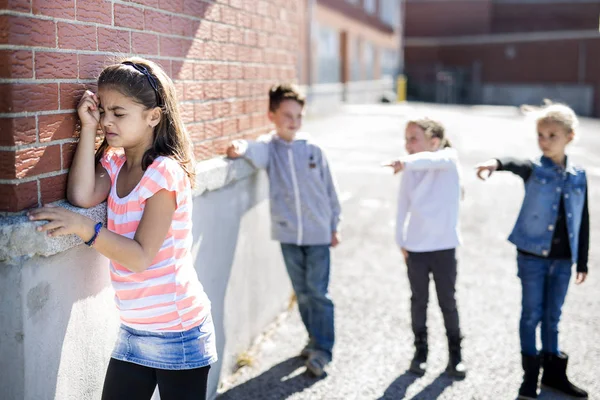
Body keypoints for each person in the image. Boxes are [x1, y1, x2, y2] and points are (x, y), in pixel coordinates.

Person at [28, 57, 217, 400]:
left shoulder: (163, 173)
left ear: (153, 117)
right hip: (134, 329)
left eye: (119, 113)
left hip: (179, 331)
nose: (107, 121)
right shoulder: (116, 162)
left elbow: (141, 256)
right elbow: (82, 194)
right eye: (103, 110)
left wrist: (85, 229)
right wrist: (87, 129)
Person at [225, 84, 341, 377]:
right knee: (302, 293)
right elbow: (252, 149)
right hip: (289, 235)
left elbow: (330, 191)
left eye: (299, 115)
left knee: (318, 292)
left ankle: (323, 350)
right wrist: (239, 147)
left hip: (317, 234)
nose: (294, 121)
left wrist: (334, 225)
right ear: (272, 115)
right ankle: (314, 339)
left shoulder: (313, 149)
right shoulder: (270, 149)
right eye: (287, 115)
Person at [475, 103, 588, 399]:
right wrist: (495, 163)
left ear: (570, 136)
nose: (545, 141)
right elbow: (514, 163)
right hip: (532, 258)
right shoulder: (535, 170)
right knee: (531, 315)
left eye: (552, 135)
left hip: (563, 261)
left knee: (553, 316)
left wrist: (582, 261)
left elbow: (583, 218)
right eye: (541, 135)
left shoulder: (578, 175)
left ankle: (554, 376)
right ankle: (529, 378)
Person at [383, 118, 466, 378]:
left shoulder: (448, 159)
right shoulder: (410, 168)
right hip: (416, 248)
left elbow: (433, 160)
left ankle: (456, 356)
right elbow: (402, 206)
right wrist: (401, 241)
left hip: (444, 247)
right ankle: (420, 353)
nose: (408, 145)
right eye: (406, 139)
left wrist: (405, 161)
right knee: (418, 301)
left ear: (434, 141)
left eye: (414, 139)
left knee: (447, 302)